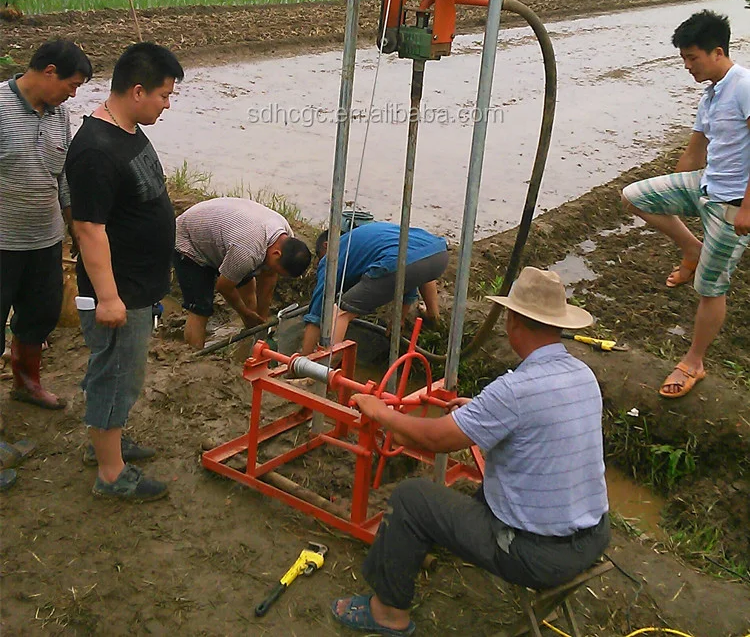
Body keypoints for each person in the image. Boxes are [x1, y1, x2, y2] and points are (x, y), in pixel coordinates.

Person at [330, 267, 610, 637]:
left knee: (412, 498)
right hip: (593, 537)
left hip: (537, 556)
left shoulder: (514, 391)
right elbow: (535, 426)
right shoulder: (582, 375)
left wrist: (381, 413)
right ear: (558, 326)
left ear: (512, 321)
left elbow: (434, 440)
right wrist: (480, 413)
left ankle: (387, 614)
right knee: (482, 492)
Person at [65, 42, 184, 503]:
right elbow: (88, 229)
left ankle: (108, 441)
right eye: (164, 95)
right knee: (115, 374)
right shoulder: (96, 150)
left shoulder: (127, 131)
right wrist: (109, 297)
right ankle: (110, 473)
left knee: (122, 374)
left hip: (137, 284)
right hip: (119, 290)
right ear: (137, 91)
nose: (167, 105)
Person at [622, 9, 750, 399]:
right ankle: (692, 248)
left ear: (717, 52)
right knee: (635, 196)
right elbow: (695, 151)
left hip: (732, 201)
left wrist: (747, 207)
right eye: (684, 58)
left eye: (692, 58)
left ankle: (694, 361)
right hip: (706, 184)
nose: (687, 66)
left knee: (710, 286)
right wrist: (673, 189)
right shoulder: (711, 93)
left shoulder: (744, 86)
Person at [0, 38, 92, 409]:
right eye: (71, 85)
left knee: (40, 315)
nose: (72, 95)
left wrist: (75, 229)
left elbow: (64, 178)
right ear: (49, 72)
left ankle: (26, 383)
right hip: (2, 242)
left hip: (44, 241)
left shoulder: (60, 117)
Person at [174, 197, 312, 349]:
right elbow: (224, 286)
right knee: (201, 308)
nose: (275, 272)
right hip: (190, 240)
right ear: (276, 254)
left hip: (225, 237)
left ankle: (250, 344)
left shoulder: (285, 234)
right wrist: (244, 313)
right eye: (278, 270)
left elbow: (269, 277)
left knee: (249, 299)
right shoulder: (247, 252)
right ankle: (194, 354)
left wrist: (261, 321)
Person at [301, 222, 448, 355]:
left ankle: (325, 368)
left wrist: (303, 359)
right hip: (438, 254)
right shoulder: (365, 239)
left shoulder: (331, 257)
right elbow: (408, 272)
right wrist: (399, 318)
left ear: (326, 246)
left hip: (398, 264)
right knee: (416, 262)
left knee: (340, 313)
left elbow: (317, 312)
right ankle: (433, 316)